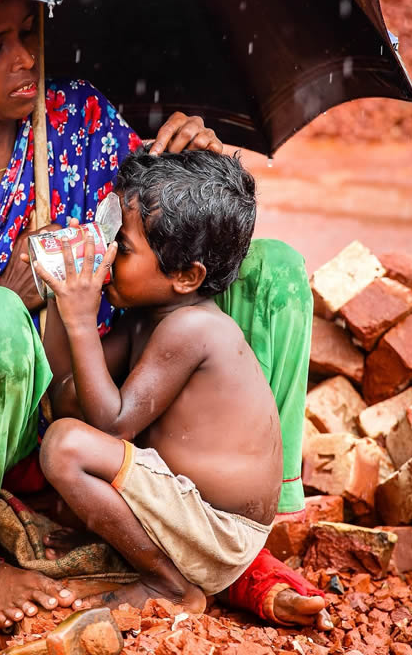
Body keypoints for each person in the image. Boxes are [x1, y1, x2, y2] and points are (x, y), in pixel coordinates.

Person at [0, 0, 328, 631]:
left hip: (87, 393)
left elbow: (168, 236)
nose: (27, 59)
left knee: (270, 269)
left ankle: (245, 533)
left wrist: (200, 157)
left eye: (28, 33)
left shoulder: (75, 126)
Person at [36, 148, 281, 613]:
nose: (106, 252)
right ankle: (139, 554)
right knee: (67, 443)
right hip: (186, 515)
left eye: (121, 247)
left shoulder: (193, 329)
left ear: (187, 276)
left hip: (221, 532)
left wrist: (83, 323)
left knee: (65, 448)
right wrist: (58, 297)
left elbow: (110, 428)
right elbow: (65, 399)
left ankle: (169, 585)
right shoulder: (145, 322)